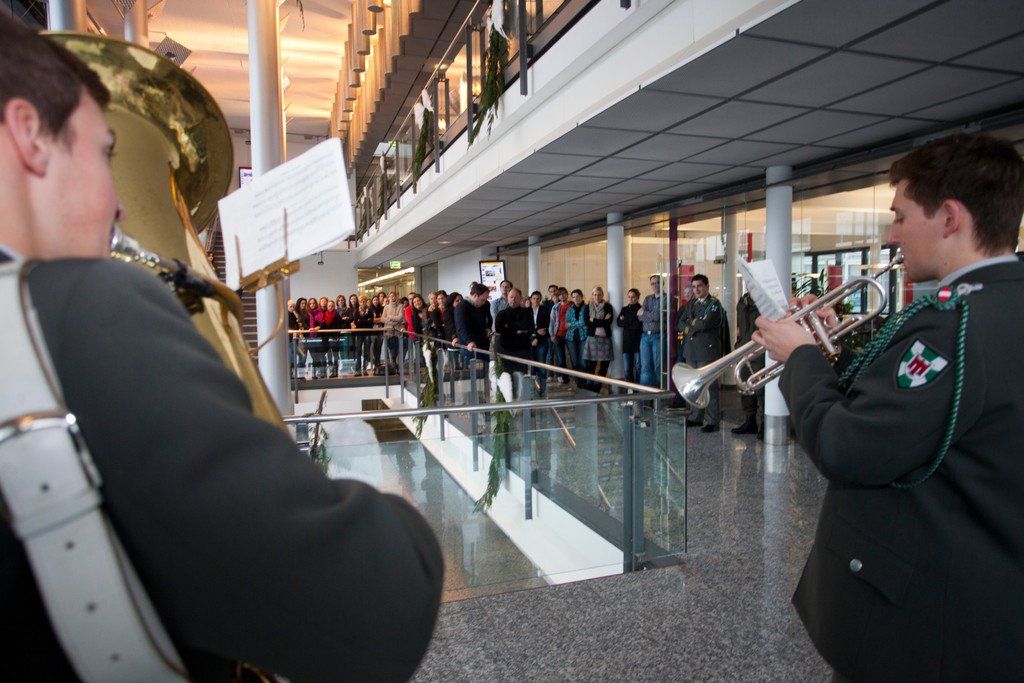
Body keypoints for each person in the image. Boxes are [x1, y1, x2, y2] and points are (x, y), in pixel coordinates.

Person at [0, 17, 442, 681]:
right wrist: (402, 520)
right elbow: (377, 608)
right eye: (104, 153)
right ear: (29, 136)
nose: (120, 205)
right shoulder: (85, 306)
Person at [753, 133, 1024, 680]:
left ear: (949, 217)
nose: (891, 234)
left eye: (900, 216)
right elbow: (915, 407)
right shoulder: (999, 304)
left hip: (923, 622)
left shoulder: (955, 326)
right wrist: (832, 349)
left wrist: (801, 358)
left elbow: (847, 447)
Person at [677, 274, 724, 432]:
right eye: (694, 287)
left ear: (707, 286)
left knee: (709, 386)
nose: (696, 290)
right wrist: (693, 324)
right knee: (694, 386)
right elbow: (680, 323)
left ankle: (713, 421)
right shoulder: (691, 304)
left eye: (699, 286)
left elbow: (705, 324)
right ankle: (695, 417)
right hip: (691, 351)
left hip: (706, 351)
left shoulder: (714, 304)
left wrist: (691, 324)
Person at [731, 290, 763, 437]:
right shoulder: (743, 301)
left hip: (759, 350)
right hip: (743, 349)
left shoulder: (764, 300)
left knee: (761, 389)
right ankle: (750, 420)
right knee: (744, 387)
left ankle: (765, 423)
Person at [494, 288, 534, 383]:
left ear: (520, 299)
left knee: (522, 379)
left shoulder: (527, 312)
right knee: (506, 379)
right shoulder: (501, 314)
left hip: (522, 351)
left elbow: (529, 326)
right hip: (505, 350)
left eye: (516, 297)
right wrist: (518, 329)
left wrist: (508, 326)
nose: (513, 299)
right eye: (511, 297)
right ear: (507, 298)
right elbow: (499, 329)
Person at [582, 286, 614, 392]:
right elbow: (587, 323)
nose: (597, 296)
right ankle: (590, 387)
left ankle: (598, 386)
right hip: (592, 339)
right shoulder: (587, 307)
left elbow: (609, 322)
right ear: (592, 295)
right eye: (595, 294)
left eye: (599, 294)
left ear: (602, 295)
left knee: (604, 365)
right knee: (591, 364)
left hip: (605, 340)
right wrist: (602, 321)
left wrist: (594, 320)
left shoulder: (608, 306)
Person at [454, 282, 492, 367]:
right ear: (475, 295)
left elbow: (482, 322)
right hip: (470, 348)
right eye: (482, 299)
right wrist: (469, 341)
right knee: (473, 373)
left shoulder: (478, 306)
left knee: (484, 373)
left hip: (481, 345)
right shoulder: (462, 307)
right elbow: (462, 327)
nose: (484, 302)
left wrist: (486, 329)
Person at [639, 274, 662, 387]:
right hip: (645, 336)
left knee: (658, 367)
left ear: (662, 284)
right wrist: (651, 315)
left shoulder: (666, 298)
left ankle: (658, 394)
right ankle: (645, 394)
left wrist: (645, 313)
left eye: (657, 282)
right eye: (652, 283)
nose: (655, 285)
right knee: (645, 367)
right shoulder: (647, 298)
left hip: (658, 336)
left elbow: (658, 316)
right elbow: (639, 316)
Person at [617, 287, 642, 384]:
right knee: (627, 369)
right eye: (629, 297)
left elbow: (638, 325)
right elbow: (619, 323)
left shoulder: (641, 308)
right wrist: (633, 319)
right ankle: (630, 389)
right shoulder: (624, 309)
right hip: (626, 343)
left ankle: (638, 388)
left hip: (637, 342)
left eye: (633, 297)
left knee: (639, 368)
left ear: (637, 297)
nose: (631, 299)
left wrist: (626, 321)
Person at [529, 290, 551, 396]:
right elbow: (526, 327)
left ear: (540, 299)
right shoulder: (527, 311)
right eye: (534, 298)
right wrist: (536, 332)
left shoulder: (545, 310)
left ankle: (543, 391)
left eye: (538, 298)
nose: (536, 300)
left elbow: (545, 326)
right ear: (531, 299)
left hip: (542, 340)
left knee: (541, 365)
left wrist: (537, 337)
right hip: (530, 341)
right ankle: (532, 391)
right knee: (532, 366)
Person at [548, 287, 571, 382]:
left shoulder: (572, 305)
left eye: (564, 293)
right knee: (561, 358)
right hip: (558, 335)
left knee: (573, 358)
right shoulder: (555, 307)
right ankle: (564, 377)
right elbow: (552, 321)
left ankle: (578, 379)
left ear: (567, 294)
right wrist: (552, 335)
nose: (562, 296)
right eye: (560, 294)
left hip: (570, 335)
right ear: (558, 296)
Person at [564, 288, 587, 376]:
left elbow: (584, 322)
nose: (576, 298)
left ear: (581, 297)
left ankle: (583, 380)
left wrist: (572, 324)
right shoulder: (569, 309)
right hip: (570, 338)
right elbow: (566, 325)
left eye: (577, 296)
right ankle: (578, 381)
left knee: (583, 361)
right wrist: (580, 324)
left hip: (583, 337)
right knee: (574, 361)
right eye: (573, 297)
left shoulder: (587, 308)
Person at [381, 290, 404, 370]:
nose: (392, 298)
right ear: (388, 297)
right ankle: (392, 367)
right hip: (388, 332)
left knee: (397, 350)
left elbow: (400, 318)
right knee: (390, 350)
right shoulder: (386, 307)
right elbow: (382, 319)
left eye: (393, 296)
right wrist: (394, 320)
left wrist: (390, 317)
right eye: (390, 296)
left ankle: (398, 367)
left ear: (396, 297)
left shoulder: (400, 306)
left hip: (398, 332)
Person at [353, 296, 376, 375]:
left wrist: (361, 321)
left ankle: (365, 369)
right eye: (361, 301)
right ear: (359, 302)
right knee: (358, 352)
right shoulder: (356, 311)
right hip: (359, 334)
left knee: (366, 352)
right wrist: (366, 321)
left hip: (367, 333)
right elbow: (356, 323)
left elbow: (371, 323)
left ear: (366, 302)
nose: (362, 303)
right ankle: (358, 370)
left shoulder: (370, 311)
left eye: (364, 301)